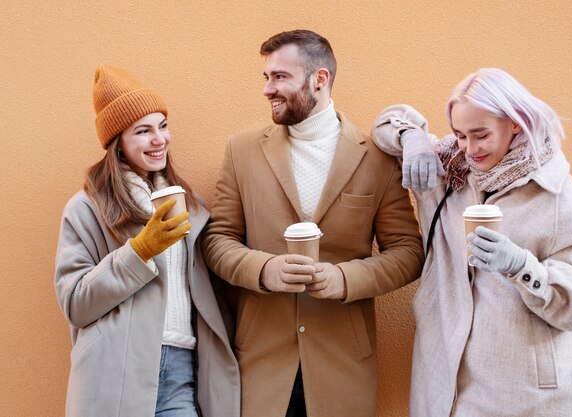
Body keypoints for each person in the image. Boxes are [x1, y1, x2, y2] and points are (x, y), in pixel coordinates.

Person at [203, 30, 423, 417]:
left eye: (280, 77)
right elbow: (217, 240)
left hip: (343, 363)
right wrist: (263, 269)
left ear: (319, 79)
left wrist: (345, 279)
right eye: (266, 77)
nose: (268, 89)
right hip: (261, 362)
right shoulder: (241, 151)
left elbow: (408, 251)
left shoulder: (377, 158)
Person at [372, 68, 572, 417]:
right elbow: (387, 121)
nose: (469, 149)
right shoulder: (448, 171)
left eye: (480, 135)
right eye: (459, 134)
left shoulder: (556, 194)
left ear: (514, 123)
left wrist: (520, 265)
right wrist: (413, 139)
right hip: (447, 381)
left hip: (525, 391)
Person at [54, 65, 240, 417]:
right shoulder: (86, 208)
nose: (160, 140)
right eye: (143, 131)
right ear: (118, 144)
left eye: (163, 126)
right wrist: (139, 251)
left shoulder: (191, 206)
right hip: (116, 374)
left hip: (184, 370)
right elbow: (76, 302)